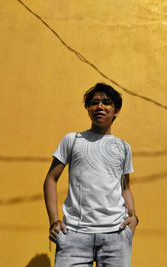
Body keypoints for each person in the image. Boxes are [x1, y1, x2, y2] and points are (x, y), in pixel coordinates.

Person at [44, 83, 138, 267]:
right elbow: (50, 179)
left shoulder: (124, 148)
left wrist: (134, 217)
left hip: (116, 236)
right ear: (88, 109)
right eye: (94, 103)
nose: (100, 107)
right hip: (74, 236)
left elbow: (125, 188)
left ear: (116, 110)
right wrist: (54, 221)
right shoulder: (72, 140)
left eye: (106, 102)